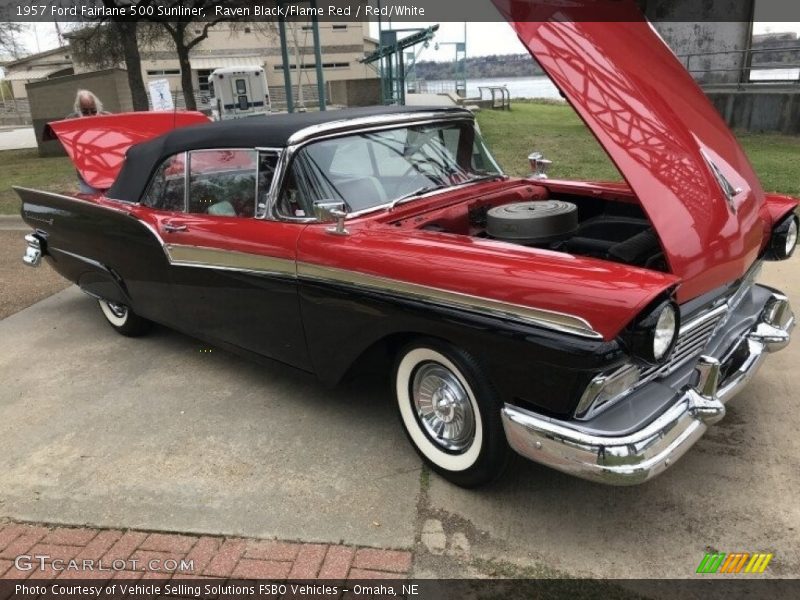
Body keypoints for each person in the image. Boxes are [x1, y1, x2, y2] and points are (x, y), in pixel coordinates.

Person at [66, 90, 110, 193]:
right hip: (86, 174)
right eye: (85, 112)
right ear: (78, 109)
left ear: (98, 107)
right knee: (93, 202)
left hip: (108, 171)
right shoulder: (71, 121)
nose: (90, 115)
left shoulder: (108, 117)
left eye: (93, 111)